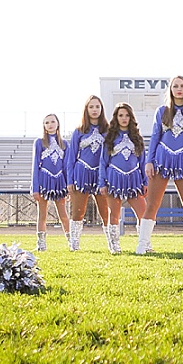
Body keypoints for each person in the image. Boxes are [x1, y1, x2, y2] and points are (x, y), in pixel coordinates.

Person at [141, 76, 183, 254]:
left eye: (182, 86)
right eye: (175, 86)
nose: (179, 89)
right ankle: (142, 244)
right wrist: (149, 161)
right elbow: (155, 137)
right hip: (161, 161)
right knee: (152, 205)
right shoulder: (162, 111)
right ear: (170, 90)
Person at [100, 103, 148, 254]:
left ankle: (144, 244)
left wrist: (145, 181)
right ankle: (114, 245)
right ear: (116, 117)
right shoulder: (110, 137)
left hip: (134, 180)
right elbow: (103, 162)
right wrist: (102, 183)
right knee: (114, 214)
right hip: (114, 179)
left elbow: (142, 161)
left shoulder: (137, 137)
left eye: (127, 115)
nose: (124, 118)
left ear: (131, 117)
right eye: (121, 115)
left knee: (144, 213)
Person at [65, 95, 110, 252]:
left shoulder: (109, 130)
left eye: (97, 106)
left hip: (101, 176)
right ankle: (74, 244)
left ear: (101, 109)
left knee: (106, 212)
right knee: (78, 211)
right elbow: (71, 158)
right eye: (91, 107)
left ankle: (112, 244)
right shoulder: (78, 131)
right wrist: (70, 181)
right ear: (86, 109)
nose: (94, 110)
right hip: (81, 174)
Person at [30, 113, 71, 251]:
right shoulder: (39, 142)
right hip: (44, 180)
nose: (50, 124)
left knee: (63, 214)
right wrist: (35, 188)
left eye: (52, 121)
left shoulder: (65, 144)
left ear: (58, 124)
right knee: (42, 214)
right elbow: (35, 165)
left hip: (59, 181)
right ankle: (41, 244)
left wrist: (68, 187)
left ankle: (72, 242)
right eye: (47, 122)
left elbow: (66, 167)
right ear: (44, 126)